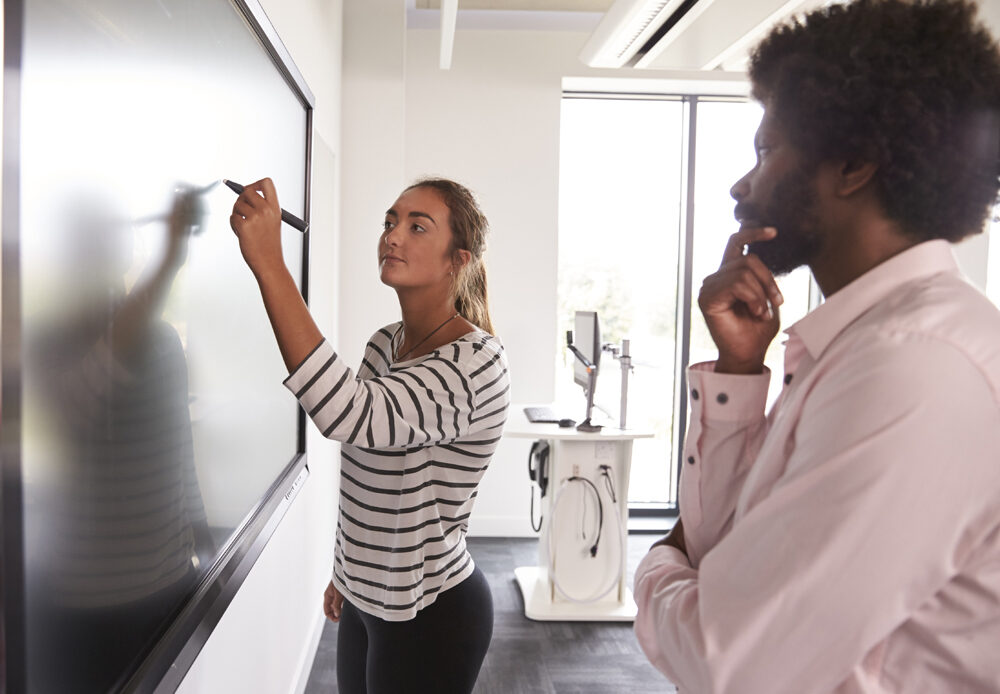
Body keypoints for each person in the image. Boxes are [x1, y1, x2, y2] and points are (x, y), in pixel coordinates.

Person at [633, 1, 1000, 692]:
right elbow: (725, 547)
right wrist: (741, 368)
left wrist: (653, 568)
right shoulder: (862, 343)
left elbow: (732, 660)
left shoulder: (915, 365)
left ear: (854, 165)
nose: (743, 184)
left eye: (767, 151)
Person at [229, 176, 509, 694]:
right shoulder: (386, 343)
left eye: (417, 226)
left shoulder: (475, 364)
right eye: (389, 222)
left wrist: (269, 262)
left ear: (458, 260)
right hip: (366, 597)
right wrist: (346, 571)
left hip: (429, 609)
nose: (393, 236)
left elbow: (347, 414)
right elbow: (367, 466)